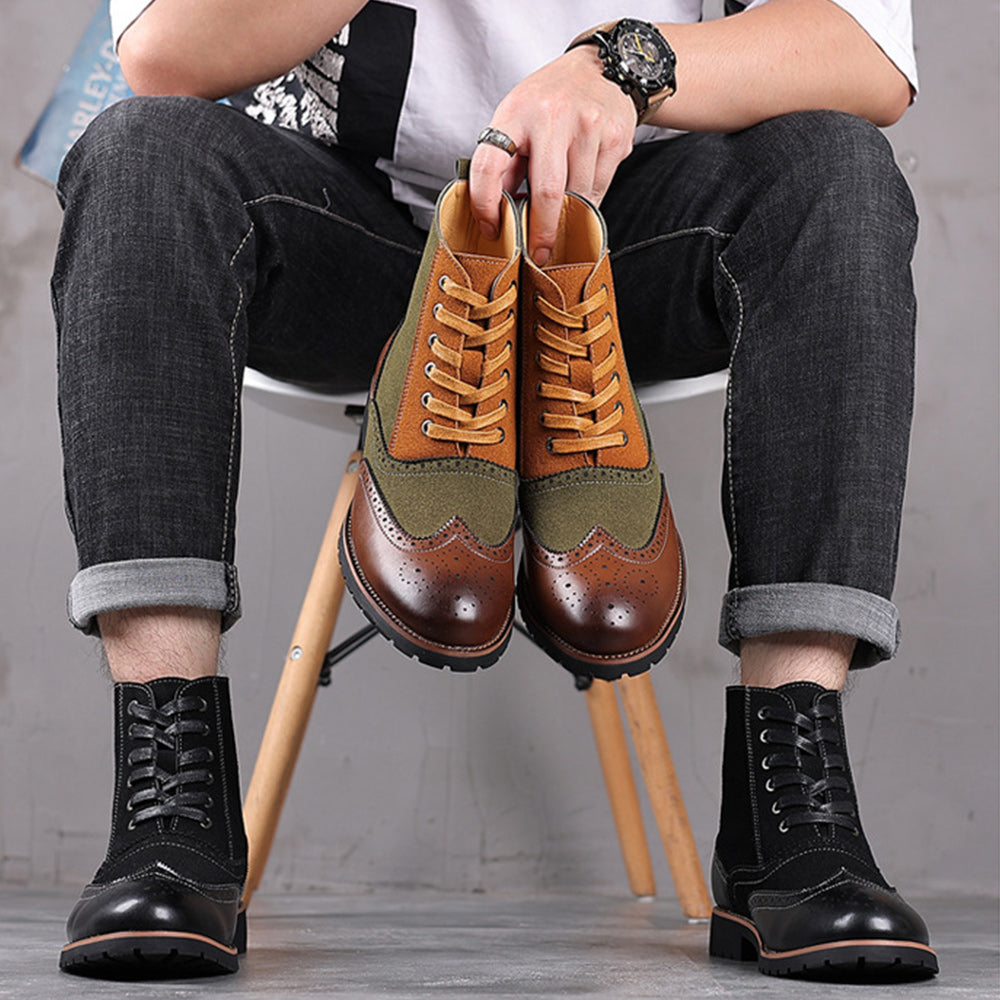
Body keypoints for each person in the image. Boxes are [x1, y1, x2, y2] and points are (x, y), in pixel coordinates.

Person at [52, 0, 937, 982]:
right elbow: (165, 52)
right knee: (139, 156)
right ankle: (169, 806)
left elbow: (865, 52)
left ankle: (792, 811)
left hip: (624, 229)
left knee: (838, 172)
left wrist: (620, 67)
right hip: (361, 225)